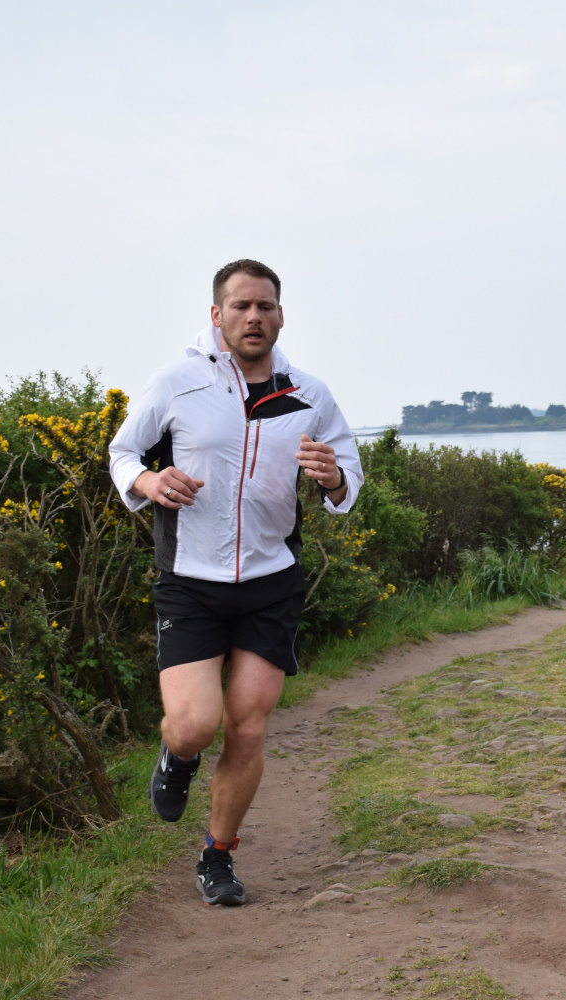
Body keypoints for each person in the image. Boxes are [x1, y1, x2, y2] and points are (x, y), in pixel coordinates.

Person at [108, 259, 362, 905]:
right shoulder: (178, 382)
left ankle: (217, 856)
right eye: (242, 306)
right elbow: (122, 453)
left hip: (271, 580)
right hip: (191, 581)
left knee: (247, 728)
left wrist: (333, 478)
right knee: (195, 724)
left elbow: (349, 477)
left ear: (281, 316)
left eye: (266, 306)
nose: (255, 317)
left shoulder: (309, 393)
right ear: (216, 315)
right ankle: (178, 755)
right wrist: (149, 481)